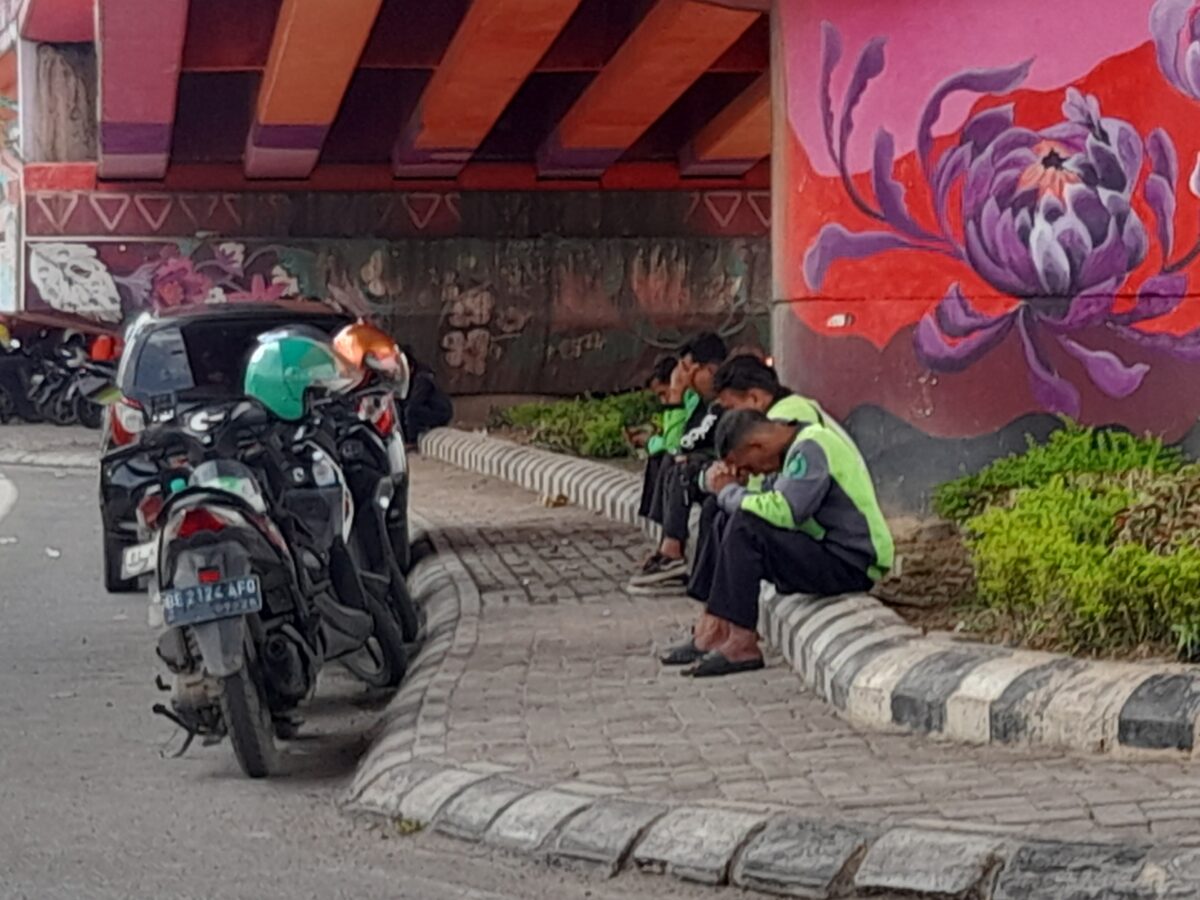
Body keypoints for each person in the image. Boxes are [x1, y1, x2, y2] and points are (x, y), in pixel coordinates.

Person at [663, 408, 893, 678]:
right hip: (821, 550)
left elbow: (786, 510)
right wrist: (729, 488)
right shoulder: (789, 450)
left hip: (850, 562)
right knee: (721, 512)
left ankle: (742, 641)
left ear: (756, 446)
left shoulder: (812, 446)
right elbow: (761, 499)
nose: (750, 473)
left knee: (744, 526)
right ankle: (714, 624)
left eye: (747, 466)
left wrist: (729, 490)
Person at [628, 332, 728, 593]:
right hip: (710, 466)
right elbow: (678, 443)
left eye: (687, 370)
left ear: (709, 369)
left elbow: (678, 445)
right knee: (668, 462)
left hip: (724, 469)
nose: (684, 378)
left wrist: (675, 394)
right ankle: (668, 546)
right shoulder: (704, 403)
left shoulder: (721, 401)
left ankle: (672, 552)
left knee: (680, 467)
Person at [632, 356, 684, 520]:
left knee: (666, 458)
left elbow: (672, 444)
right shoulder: (672, 406)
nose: (663, 400)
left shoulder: (688, 402)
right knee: (657, 458)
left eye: (663, 393)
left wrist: (650, 442)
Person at [399, 344, 453, 444]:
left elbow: (415, 402)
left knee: (410, 411)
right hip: (427, 408)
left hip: (440, 412)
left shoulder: (422, 378)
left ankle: (412, 441)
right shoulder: (411, 376)